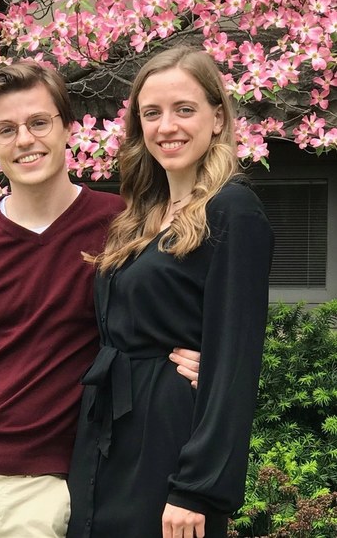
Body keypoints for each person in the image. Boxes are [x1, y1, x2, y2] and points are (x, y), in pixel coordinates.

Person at [0, 60, 201, 538]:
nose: (25, 140)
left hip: (43, 488)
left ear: (68, 127)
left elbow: (163, 320)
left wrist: (205, 361)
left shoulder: (124, 228)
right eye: (6, 129)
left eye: (39, 122)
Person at [66, 47, 274, 538]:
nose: (166, 127)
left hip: (170, 441)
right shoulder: (140, 215)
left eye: (184, 109)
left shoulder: (233, 211)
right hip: (107, 431)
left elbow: (236, 360)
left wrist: (197, 489)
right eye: (151, 113)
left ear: (217, 118)